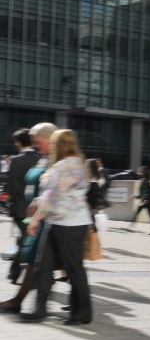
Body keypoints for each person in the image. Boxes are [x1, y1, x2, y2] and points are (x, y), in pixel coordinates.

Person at [20, 130, 93, 325]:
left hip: (70, 223)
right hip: (57, 221)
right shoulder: (66, 164)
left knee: (74, 268)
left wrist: (36, 219)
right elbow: (50, 194)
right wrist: (37, 204)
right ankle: (39, 309)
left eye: (53, 143)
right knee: (43, 265)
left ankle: (83, 312)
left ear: (61, 145)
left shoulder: (68, 164)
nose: (50, 146)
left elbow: (54, 196)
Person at [0, 122, 56, 313]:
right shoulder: (41, 159)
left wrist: (37, 212)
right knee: (30, 259)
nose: (33, 143)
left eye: (36, 139)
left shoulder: (55, 161)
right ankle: (24, 301)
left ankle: (36, 303)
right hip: (33, 214)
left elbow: (53, 192)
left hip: (45, 216)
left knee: (37, 260)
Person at [6, 129, 39, 284]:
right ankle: (16, 273)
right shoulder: (41, 159)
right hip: (38, 208)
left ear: (18, 142)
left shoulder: (15, 160)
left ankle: (15, 274)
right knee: (28, 240)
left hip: (20, 209)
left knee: (26, 240)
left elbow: (11, 187)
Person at [127, 167, 150, 235]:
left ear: (144, 173)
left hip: (144, 201)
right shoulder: (146, 180)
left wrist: (135, 197)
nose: (139, 172)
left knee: (137, 213)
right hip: (146, 201)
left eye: (141, 171)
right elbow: (144, 193)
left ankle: (130, 227)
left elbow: (144, 194)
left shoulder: (144, 181)